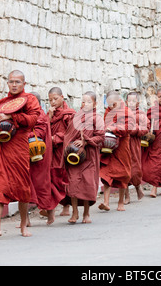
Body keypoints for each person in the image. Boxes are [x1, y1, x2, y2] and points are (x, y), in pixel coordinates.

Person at [0, 70, 41, 238]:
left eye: (17, 82)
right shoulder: (4, 102)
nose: (14, 85)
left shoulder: (30, 100)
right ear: (7, 83)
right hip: (3, 148)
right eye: (11, 82)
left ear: (24, 84)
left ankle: (23, 225)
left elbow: (33, 120)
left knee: (22, 187)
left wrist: (11, 116)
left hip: (19, 148)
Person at [62, 91, 105, 224]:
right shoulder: (76, 117)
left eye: (88, 102)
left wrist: (86, 141)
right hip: (74, 156)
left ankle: (86, 213)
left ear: (95, 104)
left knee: (87, 184)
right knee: (73, 183)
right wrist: (69, 146)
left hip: (89, 156)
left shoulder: (96, 118)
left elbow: (100, 137)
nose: (85, 104)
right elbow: (68, 135)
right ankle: (75, 212)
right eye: (83, 101)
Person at [99, 91, 135, 212]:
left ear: (119, 101)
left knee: (123, 174)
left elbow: (129, 128)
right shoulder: (108, 111)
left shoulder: (126, 112)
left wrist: (114, 128)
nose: (110, 107)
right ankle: (106, 202)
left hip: (122, 146)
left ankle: (121, 202)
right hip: (109, 146)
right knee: (106, 173)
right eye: (108, 104)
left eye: (113, 104)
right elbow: (105, 124)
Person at [27, 92, 54, 225]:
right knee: (26, 185)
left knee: (42, 185)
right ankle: (25, 219)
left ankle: (50, 215)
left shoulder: (41, 115)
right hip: (28, 154)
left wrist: (24, 135)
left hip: (40, 155)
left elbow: (39, 132)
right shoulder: (29, 114)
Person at [48, 87, 76, 217]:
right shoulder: (50, 113)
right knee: (52, 177)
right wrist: (49, 117)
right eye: (50, 100)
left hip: (63, 149)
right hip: (51, 150)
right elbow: (43, 128)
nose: (53, 102)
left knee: (64, 177)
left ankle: (66, 206)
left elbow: (71, 132)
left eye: (55, 99)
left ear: (62, 97)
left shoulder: (69, 113)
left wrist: (56, 137)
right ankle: (51, 207)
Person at [125, 92, 149, 204]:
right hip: (123, 144)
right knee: (123, 169)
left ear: (137, 103)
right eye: (129, 101)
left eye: (133, 101)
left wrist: (135, 129)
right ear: (125, 102)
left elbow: (146, 128)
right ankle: (126, 196)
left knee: (135, 169)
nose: (131, 103)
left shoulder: (141, 115)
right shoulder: (122, 114)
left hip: (134, 144)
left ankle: (137, 186)